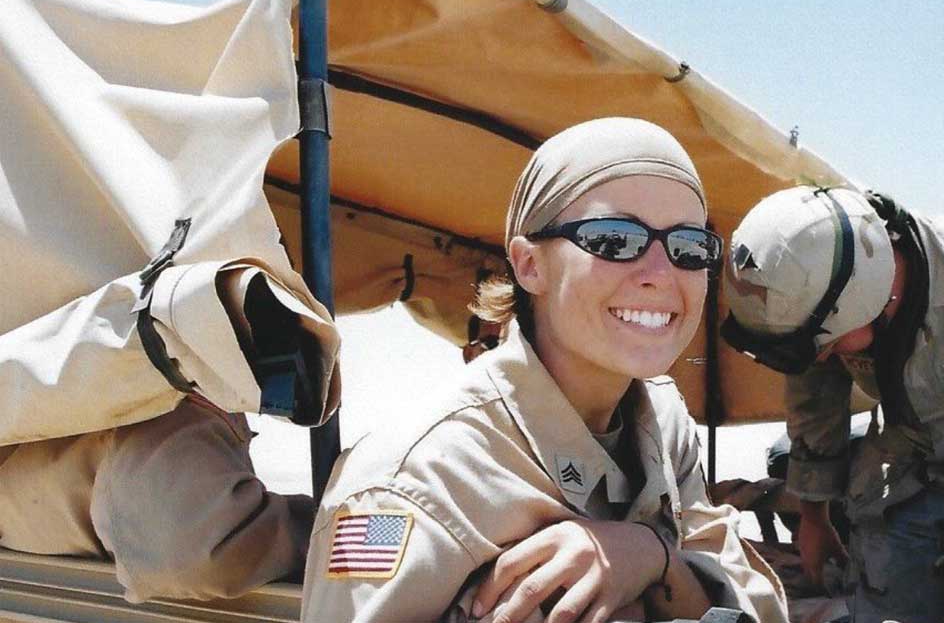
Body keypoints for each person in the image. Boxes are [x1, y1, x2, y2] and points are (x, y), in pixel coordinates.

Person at [301, 117, 788, 623]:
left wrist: (653, 556)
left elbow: (758, 607)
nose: (660, 275)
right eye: (614, 240)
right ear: (529, 265)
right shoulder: (417, 481)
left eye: (688, 247)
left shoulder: (661, 424)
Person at [720, 186, 944, 623]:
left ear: (867, 297)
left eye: (825, 346)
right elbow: (816, 402)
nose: (821, 357)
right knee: (885, 596)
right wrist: (814, 516)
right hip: (920, 468)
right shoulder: (820, 312)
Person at [0, 394, 314, 603]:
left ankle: (338, 529)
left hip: (130, 383)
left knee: (188, 544)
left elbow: (188, 551)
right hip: (25, 425)